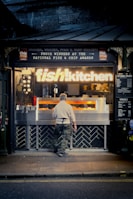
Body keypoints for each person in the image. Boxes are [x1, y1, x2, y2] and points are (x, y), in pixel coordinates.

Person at [52, 93, 77, 157]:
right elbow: (72, 116)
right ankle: (61, 151)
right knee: (65, 138)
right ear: (66, 99)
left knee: (56, 136)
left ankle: (56, 148)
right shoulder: (68, 106)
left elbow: (53, 116)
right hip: (66, 122)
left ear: (59, 98)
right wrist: (74, 125)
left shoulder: (57, 106)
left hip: (58, 123)